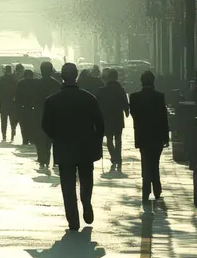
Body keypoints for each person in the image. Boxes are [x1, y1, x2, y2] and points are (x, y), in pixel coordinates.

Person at [42, 61, 105, 231]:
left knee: (67, 185)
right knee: (86, 179)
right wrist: (96, 142)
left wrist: (57, 137)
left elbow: (46, 126)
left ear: (62, 76)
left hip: (64, 147)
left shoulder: (52, 101)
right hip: (85, 147)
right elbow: (100, 124)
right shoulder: (89, 98)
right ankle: (86, 202)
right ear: (76, 75)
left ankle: (73, 220)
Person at [129, 70, 170, 202]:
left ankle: (146, 189)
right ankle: (157, 188)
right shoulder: (159, 96)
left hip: (142, 135)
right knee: (155, 162)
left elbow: (134, 114)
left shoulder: (135, 97)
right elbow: (164, 117)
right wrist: (166, 136)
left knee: (146, 162)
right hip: (157, 135)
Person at [98, 68, 129, 173]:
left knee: (109, 139)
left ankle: (114, 156)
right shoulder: (120, 89)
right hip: (118, 118)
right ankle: (118, 159)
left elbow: (98, 104)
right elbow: (125, 101)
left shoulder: (102, 90)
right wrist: (127, 111)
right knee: (118, 139)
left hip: (107, 118)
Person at [33, 61, 61, 170]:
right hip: (53, 115)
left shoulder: (36, 84)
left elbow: (33, 100)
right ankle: (48, 157)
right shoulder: (56, 84)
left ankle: (42, 158)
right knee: (50, 138)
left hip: (38, 113)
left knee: (39, 137)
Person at [0, 65, 17, 142]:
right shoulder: (14, 79)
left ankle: (4, 136)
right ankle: (12, 136)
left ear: (4, 70)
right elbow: (17, 92)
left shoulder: (0, 79)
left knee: (3, 121)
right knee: (12, 121)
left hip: (3, 103)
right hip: (13, 103)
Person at [15, 68, 37, 145]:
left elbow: (17, 97)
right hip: (34, 108)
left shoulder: (20, 83)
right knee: (33, 125)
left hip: (23, 108)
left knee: (24, 125)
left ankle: (25, 140)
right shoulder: (36, 83)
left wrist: (17, 108)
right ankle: (32, 139)